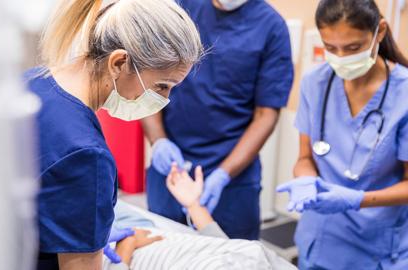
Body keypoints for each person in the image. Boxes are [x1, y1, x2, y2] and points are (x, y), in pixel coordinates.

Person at [24, 0, 203, 269]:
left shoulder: (35, 80)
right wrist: (126, 251)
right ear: (119, 62)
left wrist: (86, 235)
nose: (165, 99)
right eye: (162, 86)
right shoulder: (85, 154)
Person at [142, 0, 294, 240]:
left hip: (231, 177)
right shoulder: (180, 8)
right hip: (171, 170)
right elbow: (148, 83)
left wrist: (224, 174)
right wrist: (158, 141)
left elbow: (266, 114)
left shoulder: (271, 27)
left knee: (232, 256)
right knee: (166, 251)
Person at [276, 0, 408, 269]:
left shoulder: (404, 94)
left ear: (379, 32)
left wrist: (356, 199)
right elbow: (305, 158)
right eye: (330, 48)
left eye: (353, 48)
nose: (342, 58)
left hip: (377, 246)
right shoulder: (315, 83)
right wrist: (305, 182)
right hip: (320, 239)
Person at [102, 164, 296, 270]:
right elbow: (227, 247)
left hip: (119, 252)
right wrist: (194, 205)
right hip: (149, 232)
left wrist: (128, 242)